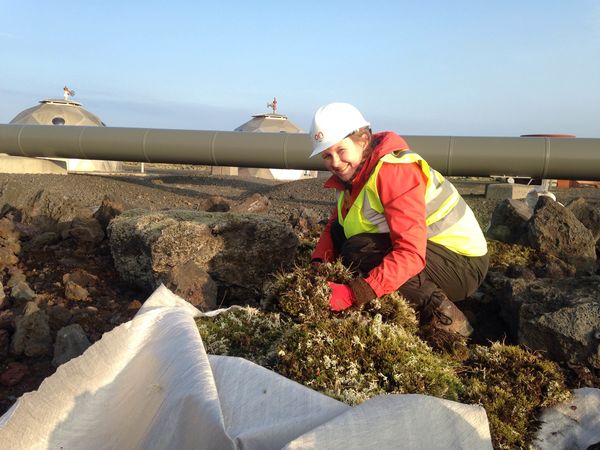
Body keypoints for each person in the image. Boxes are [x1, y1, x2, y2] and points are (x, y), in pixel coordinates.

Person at [309, 102, 489, 336]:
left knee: (359, 249)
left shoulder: (394, 172)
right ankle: (394, 291)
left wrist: (356, 293)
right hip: (434, 253)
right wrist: (318, 267)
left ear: (363, 140)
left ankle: (446, 319)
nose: (334, 162)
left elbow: (410, 253)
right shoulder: (353, 176)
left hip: (462, 264)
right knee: (344, 238)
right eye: (326, 155)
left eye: (341, 151)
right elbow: (335, 225)